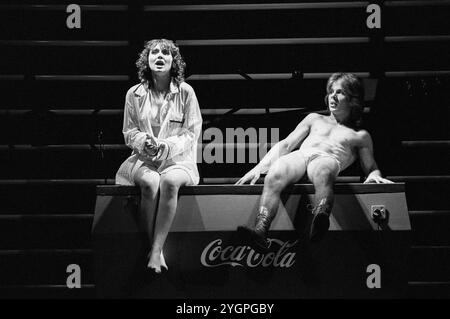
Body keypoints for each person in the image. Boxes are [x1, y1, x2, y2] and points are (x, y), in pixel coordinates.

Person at [236, 72, 392, 250]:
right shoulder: (314, 118)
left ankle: (321, 216)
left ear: (352, 99)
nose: (332, 96)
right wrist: (260, 167)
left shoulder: (360, 136)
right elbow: (286, 144)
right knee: (277, 169)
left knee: (322, 170)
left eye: (339, 92)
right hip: (302, 156)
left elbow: (371, 167)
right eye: (331, 91)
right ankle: (260, 229)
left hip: (329, 160)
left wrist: (374, 176)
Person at [115, 39, 202, 273]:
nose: (160, 55)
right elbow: (129, 132)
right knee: (150, 183)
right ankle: (151, 246)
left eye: (166, 52)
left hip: (178, 159)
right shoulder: (133, 94)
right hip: (145, 159)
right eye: (154, 52)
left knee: (170, 182)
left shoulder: (185, 92)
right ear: (147, 60)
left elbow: (191, 133)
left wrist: (164, 146)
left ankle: (155, 251)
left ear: (174, 61)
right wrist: (145, 143)